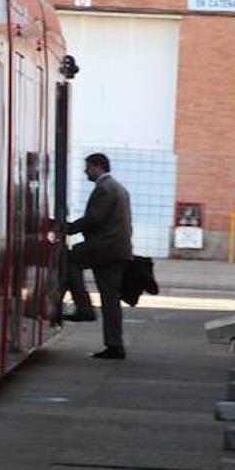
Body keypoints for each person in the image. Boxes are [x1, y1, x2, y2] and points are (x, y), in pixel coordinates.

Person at [62, 153, 133, 360]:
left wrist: (67, 229)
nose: (85, 172)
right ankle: (114, 345)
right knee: (110, 299)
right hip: (117, 249)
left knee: (68, 259)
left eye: (88, 167)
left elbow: (94, 219)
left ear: (98, 167)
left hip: (105, 248)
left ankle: (84, 308)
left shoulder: (105, 189)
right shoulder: (117, 187)